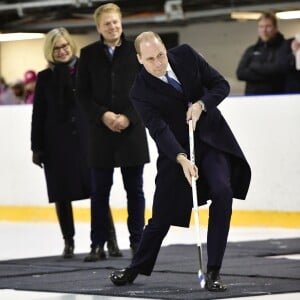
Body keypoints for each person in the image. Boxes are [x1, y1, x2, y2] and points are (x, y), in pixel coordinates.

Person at [109, 32, 251, 292]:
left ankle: (214, 271)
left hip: (210, 139)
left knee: (223, 191)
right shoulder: (139, 91)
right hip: (175, 150)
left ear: (166, 48)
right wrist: (181, 159)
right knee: (162, 215)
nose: (158, 63)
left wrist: (201, 104)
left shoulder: (186, 55)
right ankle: (134, 268)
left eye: (161, 55)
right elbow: (159, 129)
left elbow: (221, 85)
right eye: (150, 59)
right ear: (140, 59)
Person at [30, 27, 121, 259]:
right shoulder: (44, 78)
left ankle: (110, 240)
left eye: (64, 46)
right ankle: (68, 241)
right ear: (49, 51)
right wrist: (36, 147)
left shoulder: (85, 68)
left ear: (71, 45)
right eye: (56, 48)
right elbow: (38, 114)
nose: (61, 51)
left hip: (88, 139)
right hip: (56, 144)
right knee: (61, 194)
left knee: (97, 191)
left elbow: (100, 102)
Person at [76, 3, 150, 262]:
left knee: (136, 190)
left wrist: (129, 116)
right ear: (98, 27)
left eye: (116, 22)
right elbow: (82, 94)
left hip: (132, 131)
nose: (113, 27)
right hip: (101, 132)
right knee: (99, 192)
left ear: (121, 23)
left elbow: (146, 88)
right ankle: (98, 244)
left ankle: (138, 242)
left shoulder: (136, 51)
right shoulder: (87, 54)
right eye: (107, 23)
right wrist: (103, 115)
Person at [236, 12, 285, 95]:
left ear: (276, 28)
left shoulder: (284, 47)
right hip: (253, 99)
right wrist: (268, 74)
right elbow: (240, 73)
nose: (264, 30)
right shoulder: (251, 50)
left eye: (268, 26)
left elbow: (279, 70)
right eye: (261, 26)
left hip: (276, 98)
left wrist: (254, 66)